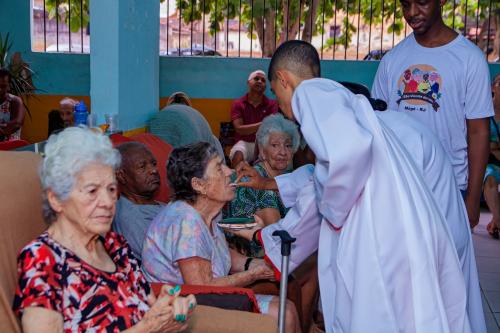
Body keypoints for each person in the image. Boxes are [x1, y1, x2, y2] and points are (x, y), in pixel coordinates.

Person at [237, 40, 471, 332]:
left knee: (371, 311)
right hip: (399, 229)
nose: (282, 106)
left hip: (375, 230)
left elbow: (348, 155)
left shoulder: (310, 93)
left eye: (275, 90)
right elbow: (321, 177)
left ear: (284, 79)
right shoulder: (348, 104)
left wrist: (333, 212)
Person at [12, 126, 196, 332]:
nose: (108, 201)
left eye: (111, 189)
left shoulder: (116, 246)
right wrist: (146, 329)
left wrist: (167, 310)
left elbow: (148, 309)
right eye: (92, 191)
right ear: (56, 199)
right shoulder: (42, 259)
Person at [142, 142, 301, 333]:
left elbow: (220, 254)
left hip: (206, 297)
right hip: (184, 307)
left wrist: (255, 264)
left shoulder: (208, 212)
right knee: (285, 312)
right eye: (219, 167)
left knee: (289, 287)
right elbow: (202, 287)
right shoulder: (186, 224)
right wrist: (253, 274)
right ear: (199, 185)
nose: (229, 172)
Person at [371, 0, 493, 229]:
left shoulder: (470, 59)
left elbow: (479, 132)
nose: (412, 13)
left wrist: (473, 198)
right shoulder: (392, 60)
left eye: (422, 3)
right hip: (399, 185)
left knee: (446, 263)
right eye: (406, 5)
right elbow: (378, 124)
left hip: (450, 188)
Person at [225, 114, 300, 226]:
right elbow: (277, 236)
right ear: (262, 150)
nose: (283, 152)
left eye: (288, 146)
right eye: (275, 145)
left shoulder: (291, 178)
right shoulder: (251, 180)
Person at [113, 142, 164, 260]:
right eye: (142, 166)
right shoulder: (131, 218)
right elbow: (160, 262)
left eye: (154, 164)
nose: (154, 170)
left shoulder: (149, 203)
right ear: (121, 176)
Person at [229, 70, 279, 167]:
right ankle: (239, 182)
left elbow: (272, 127)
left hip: (265, 143)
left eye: (263, 80)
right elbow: (239, 129)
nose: (260, 81)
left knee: (272, 162)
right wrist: (264, 123)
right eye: (256, 79)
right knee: (237, 157)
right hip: (244, 143)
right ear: (248, 82)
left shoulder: (272, 104)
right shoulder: (238, 104)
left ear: (265, 87)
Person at [484, 74, 500, 238]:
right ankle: (498, 221)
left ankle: (495, 222)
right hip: (489, 165)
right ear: (492, 88)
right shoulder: (484, 114)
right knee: (489, 177)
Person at [0, 68, 26, 141]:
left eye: (3, 86)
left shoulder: (15, 101)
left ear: (9, 86)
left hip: (12, 146)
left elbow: (16, 124)